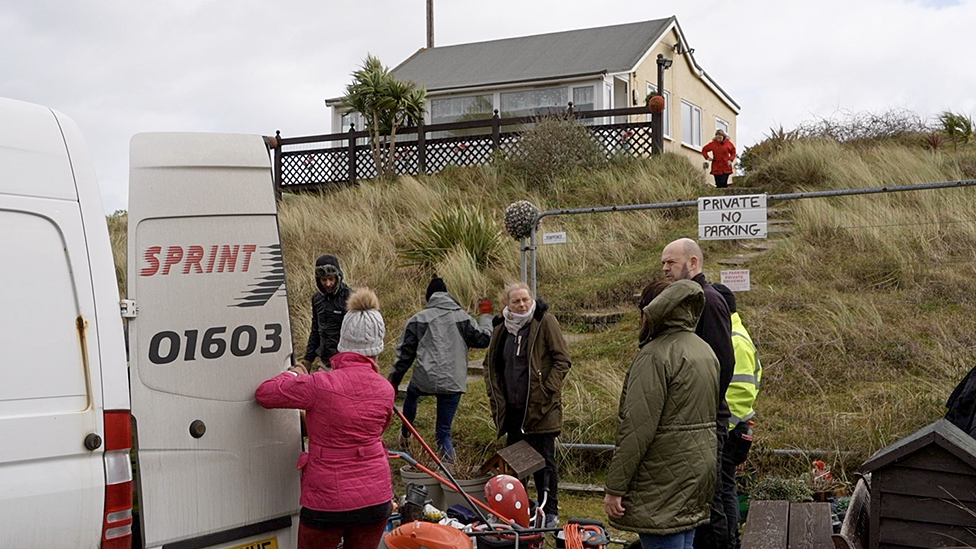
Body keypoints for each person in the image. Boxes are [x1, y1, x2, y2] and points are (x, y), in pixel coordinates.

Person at [256, 288, 394, 549]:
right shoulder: (386, 390)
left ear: (343, 340)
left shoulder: (319, 384)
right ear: (378, 345)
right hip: (376, 498)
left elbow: (265, 394)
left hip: (327, 501)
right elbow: (376, 430)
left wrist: (295, 374)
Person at [605, 279, 719, 549]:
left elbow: (637, 428)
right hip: (697, 469)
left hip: (661, 477)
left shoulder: (655, 356)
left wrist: (615, 487)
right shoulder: (703, 350)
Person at [660, 238, 735, 549]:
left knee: (710, 496)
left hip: (705, 419)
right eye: (663, 263)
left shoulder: (708, 300)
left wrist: (702, 406)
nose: (665, 268)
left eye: (671, 263)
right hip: (693, 419)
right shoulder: (687, 299)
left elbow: (722, 362)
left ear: (693, 263)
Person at [484, 282, 571, 528]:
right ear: (507, 304)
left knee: (544, 462)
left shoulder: (544, 321)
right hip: (512, 410)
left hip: (541, 409)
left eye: (525, 299)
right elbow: (491, 365)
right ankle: (520, 510)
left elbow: (562, 359)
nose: (522, 305)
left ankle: (550, 511)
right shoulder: (501, 327)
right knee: (517, 464)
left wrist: (547, 390)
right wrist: (494, 395)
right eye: (516, 301)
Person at [388, 275, 494, 461]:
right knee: (443, 433)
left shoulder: (418, 319)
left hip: (424, 379)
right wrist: (486, 313)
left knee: (412, 393)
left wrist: (393, 383)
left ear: (428, 298)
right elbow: (484, 339)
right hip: (453, 382)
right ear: (448, 295)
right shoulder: (462, 317)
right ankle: (451, 475)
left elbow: (404, 357)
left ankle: (406, 433)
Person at [712, 283, 762, 549]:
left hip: (731, 428)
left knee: (725, 487)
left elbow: (742, 391)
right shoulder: (733, 333)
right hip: (734, 426)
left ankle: (730, 541)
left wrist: (721, 426)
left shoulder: (734, 340)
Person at [301, 254, 352, 373]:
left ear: (337, 277)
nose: (328, 284)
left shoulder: (350, 298)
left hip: (345, 363)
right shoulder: (317, 299)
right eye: (324, 280)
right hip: (325, 361)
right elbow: (315, 330)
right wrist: (308, 359)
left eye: (331, 279)